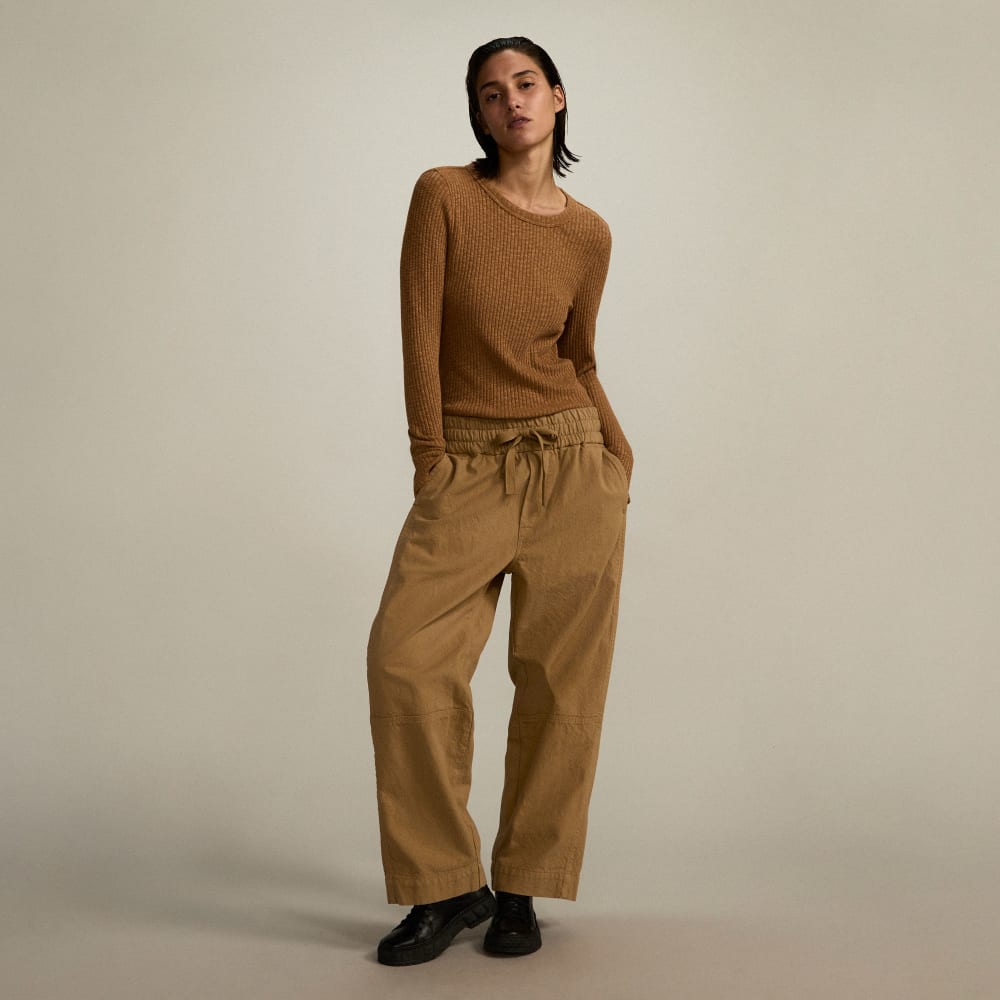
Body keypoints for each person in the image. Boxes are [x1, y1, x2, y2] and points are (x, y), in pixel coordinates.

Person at [366, 35, 633, 966]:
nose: (510, 101)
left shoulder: (590, 233)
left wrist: (616, 454)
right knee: (405, 662)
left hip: (575, 466)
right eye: (490, 92)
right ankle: (445, 885)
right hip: (469, 467)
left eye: (525, 84)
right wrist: (431, 460)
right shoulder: (444, 195)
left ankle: (521, 885)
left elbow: (580, 356)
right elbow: (419, 333)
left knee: (561, 686)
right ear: (477, 114)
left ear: (557, 97)